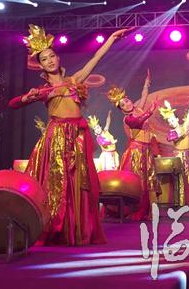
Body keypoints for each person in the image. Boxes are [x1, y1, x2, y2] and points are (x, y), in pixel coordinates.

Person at [8, 24, 131, 245]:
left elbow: (96, 58)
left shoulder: (75, 80)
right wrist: (29, 97)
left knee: (78, 184)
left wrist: (112, 38)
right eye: (44, 59)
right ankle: (54, 227)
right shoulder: (43, 90)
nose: (49, 61)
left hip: (77, 137)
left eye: (51, 56)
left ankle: (75, 230)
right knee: (56, 184)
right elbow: (13, 104)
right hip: (56, 137)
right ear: (41, 66)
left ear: (58, 58)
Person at [108, 69, 160, 220]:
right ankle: (135, 209)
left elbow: (144, 96)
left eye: (127, 100)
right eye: (123, 104)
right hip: (136, 151)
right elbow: (138, 122)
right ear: (121, 109)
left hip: (146, 150)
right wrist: (151, 110)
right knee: (139, 181)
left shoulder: (138, 109)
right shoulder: (128, 118)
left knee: (147, 180)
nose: (127, 103)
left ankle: (147, 209)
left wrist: (146, 83)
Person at [159, 93, 189, 207]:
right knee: (179, 178)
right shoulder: (172, 132)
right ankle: (179, 200)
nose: (171, 123)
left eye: (172, 120)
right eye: (169, 122)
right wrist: (183, 134)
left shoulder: (184, 126)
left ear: (177, 119)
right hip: (178, 156)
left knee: (188, 177)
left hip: (187, 154)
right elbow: (172, 138)